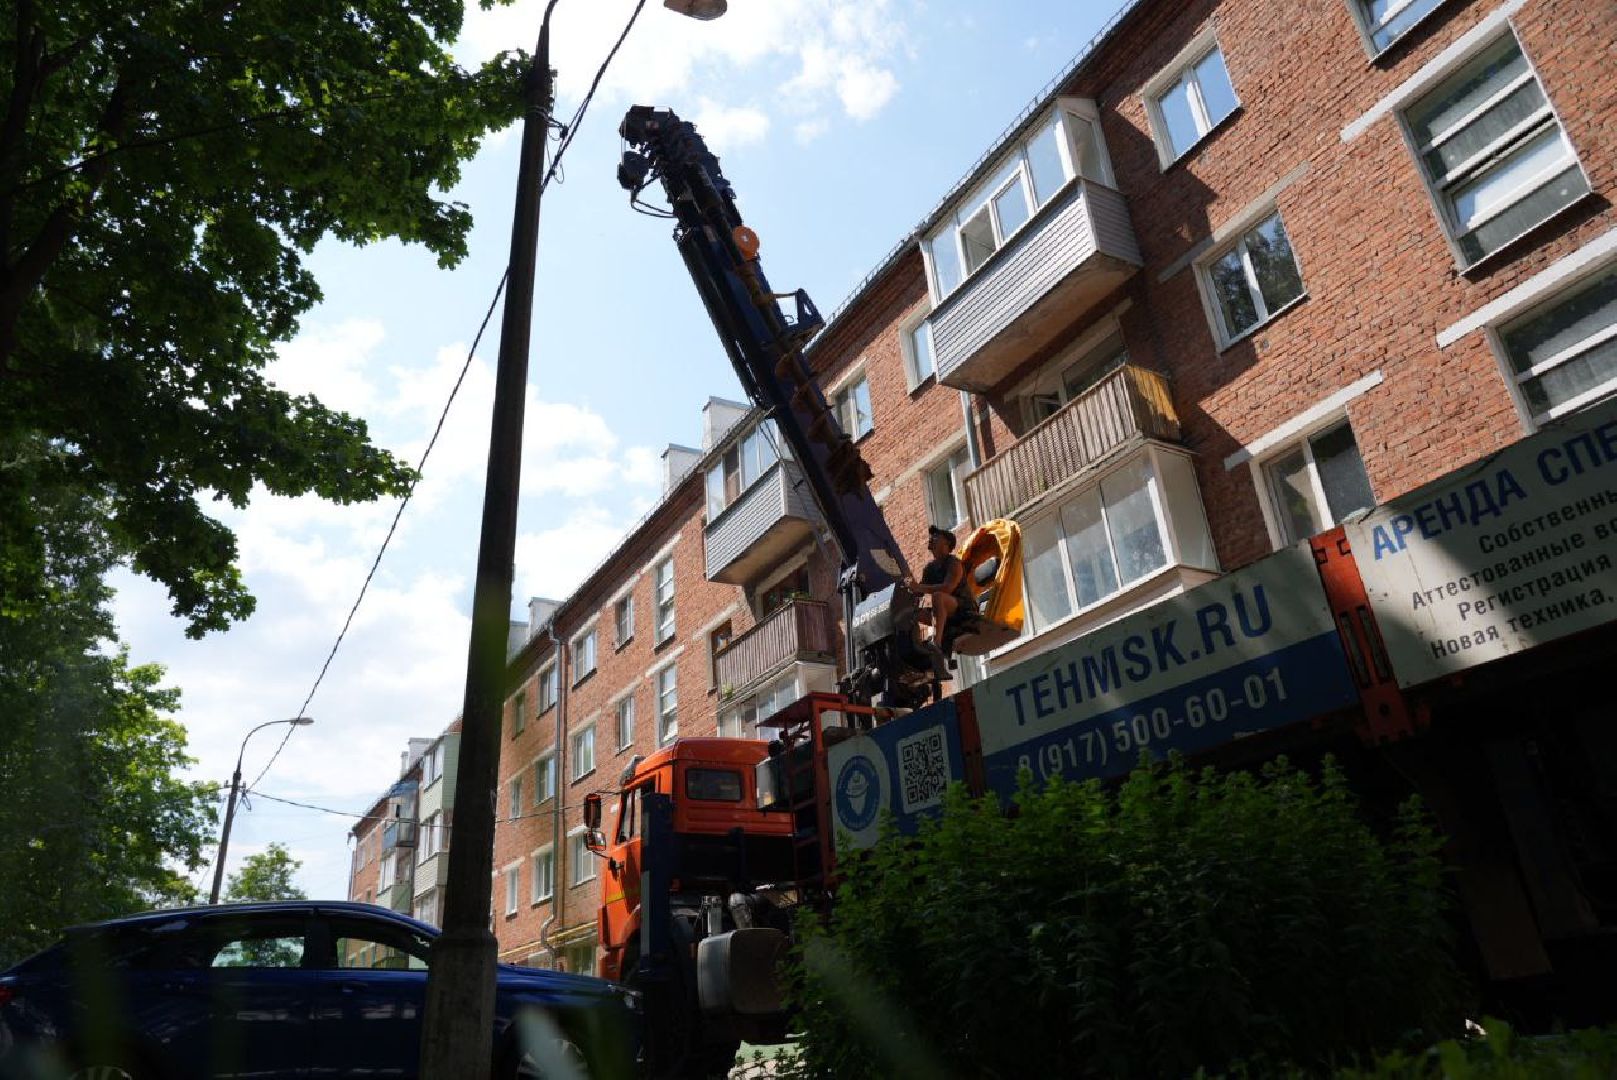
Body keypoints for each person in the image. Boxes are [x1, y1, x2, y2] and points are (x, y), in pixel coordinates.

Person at [905, 525, 977, 647]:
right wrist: (908, 586)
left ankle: (937, 642)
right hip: (943, 612)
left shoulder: (954, 563)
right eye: (932, 536)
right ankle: (915, 644)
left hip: (964, 609)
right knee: (910, 613)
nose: (932, 538)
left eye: (936, 536)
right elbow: (919, 592)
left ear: (947, 543)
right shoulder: (929, 569)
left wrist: (918, 587)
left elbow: (947, 588)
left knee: (938, 596)